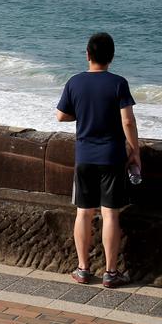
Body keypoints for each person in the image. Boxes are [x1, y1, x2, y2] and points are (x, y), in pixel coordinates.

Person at [56, 31, 140, 288]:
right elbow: (127, 120)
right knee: (110, 214)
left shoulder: (75, 82)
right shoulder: (118, 83)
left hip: (85, 156)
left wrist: (82, 114)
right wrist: (135, 150)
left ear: (88, 55)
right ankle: (111, 273)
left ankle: (83, 269)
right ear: (111, 57)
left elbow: (61, 116)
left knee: (83, 213)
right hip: (112, 157)